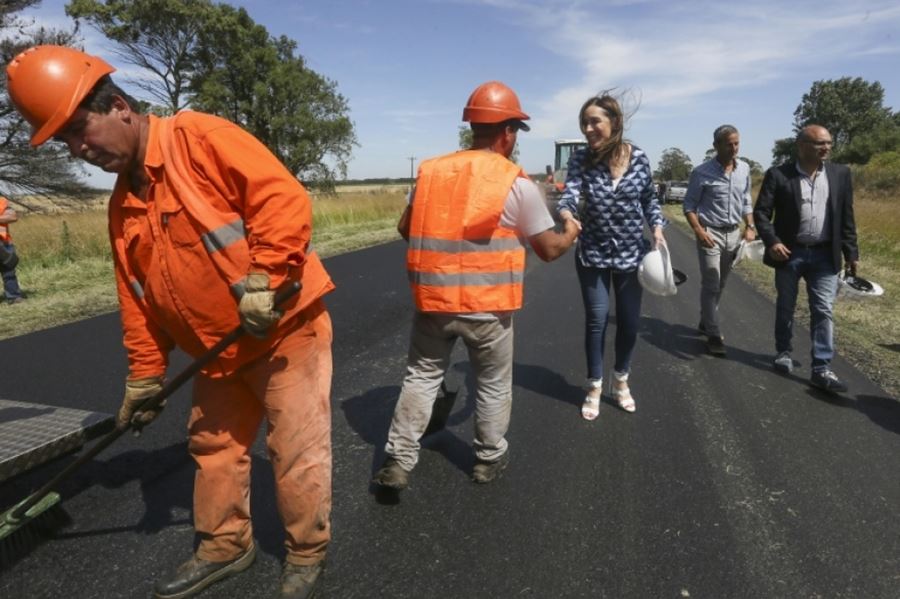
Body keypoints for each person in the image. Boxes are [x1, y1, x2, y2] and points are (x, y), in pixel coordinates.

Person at [7, 45, 335, 599]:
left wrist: (266, 280)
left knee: (295, 452)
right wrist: (145, 375)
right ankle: (224, 546)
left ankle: (306, 553)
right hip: (219, 348)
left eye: (80, 130)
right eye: (64, 141)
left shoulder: (200, 138)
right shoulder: (122, 205)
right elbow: (136, 297)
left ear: (119, 106)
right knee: (212, 447)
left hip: (284, 333)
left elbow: (281, 200)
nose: (79, 149)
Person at [372, 81, 580, 491]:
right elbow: (549, 249)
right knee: (492, 383)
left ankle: (398, 459)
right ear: (506, 132)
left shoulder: (430, 173)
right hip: (489, 310)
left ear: (474, 127)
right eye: (516, 131)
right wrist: (572, 231)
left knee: (421, 376)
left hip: (434, 304)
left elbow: (404, 228)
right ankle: (487, 459)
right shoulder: (516, 183)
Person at [556, 93, 667, 421]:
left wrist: (657, 228)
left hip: (632, 256)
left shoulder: (640, 157)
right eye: (584, 122)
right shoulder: (581, 159)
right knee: (597, 319)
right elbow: (570, 196)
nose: (588, 128)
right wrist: (567, 216)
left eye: (595, 122)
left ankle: (621, 380)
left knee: (630, 323)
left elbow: (649, 199)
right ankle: (593, 385)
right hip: (593, 254)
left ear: (615, 123)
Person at [753, 124, 859, 393]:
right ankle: (783, 352)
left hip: (825, 254)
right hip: (790, 253)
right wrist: (773, 241)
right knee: (786, 305)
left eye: (829, 143)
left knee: (823, 309)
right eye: (819, 143)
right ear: (801, 146)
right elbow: (762, 214)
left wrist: (851, 252)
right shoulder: (779, 175)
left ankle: (821, 368)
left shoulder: (840, 174)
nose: (826, 148)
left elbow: (846, 216)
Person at [683, 125, 756, 356]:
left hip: (734, 234)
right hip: (710, 233)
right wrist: (698, 230)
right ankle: (714, 334)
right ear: (716, 146)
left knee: (722, 283)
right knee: (711, 282)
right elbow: (689, 206)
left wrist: (750, 226)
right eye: (728, 144)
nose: (734, 148)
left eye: (737, 143)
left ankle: (706, 320)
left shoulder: (744, 169)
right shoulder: (701, 172)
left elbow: (746, 200)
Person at [0, 196, 24, 304]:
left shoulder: (1, 201)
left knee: (8, 270)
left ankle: (14, 297)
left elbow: (13, 216)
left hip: (3, 242)